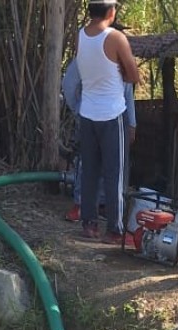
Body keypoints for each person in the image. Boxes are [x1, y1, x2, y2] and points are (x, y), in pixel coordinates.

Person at [75, 0, 140, 244]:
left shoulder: (79, 36)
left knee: (90, 170)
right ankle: (115, 228)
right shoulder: (115, 38)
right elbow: (133, 75)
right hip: (112, 114)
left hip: (87, 112)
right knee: (116, 174)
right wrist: (122, 69)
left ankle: (89, 224)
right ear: (111, 12)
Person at [61, 51, 136, 222]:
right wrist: (78, 108)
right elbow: (69, 83)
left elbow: (128, 92)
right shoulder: (86, 58)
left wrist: (132, 123)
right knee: (87, 161)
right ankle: (81, 205)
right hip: (90, 116)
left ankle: (103, 205)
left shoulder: (122, 60)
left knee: (112, 163)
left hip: (115, 118)